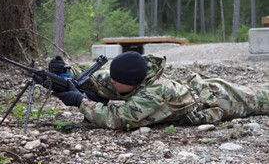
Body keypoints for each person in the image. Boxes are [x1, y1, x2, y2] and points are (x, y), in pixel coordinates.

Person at [48, 51, 269, 130]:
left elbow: (118, 119)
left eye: (116, 82)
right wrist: (67, 73)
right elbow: (97, 80)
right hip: (200, 86)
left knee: (261, 97)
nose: (112, 84)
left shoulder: (154, 95)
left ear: (130, 82)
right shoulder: (130, 77)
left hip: (220, 100)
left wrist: (79, 101)